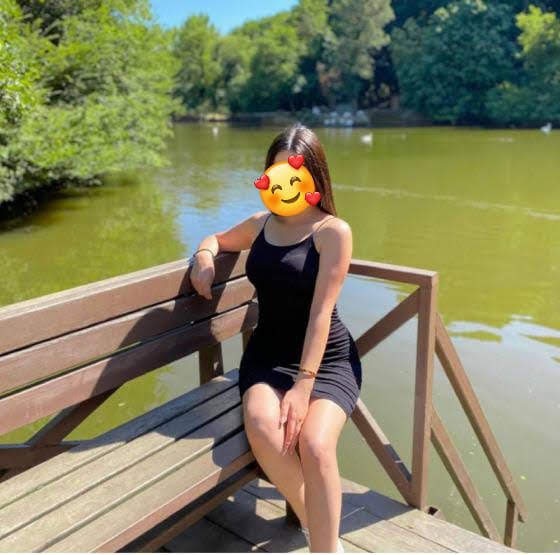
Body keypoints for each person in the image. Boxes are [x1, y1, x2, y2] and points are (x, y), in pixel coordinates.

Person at [189, 123, 362, 553]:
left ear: (314, 178)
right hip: (267, 357)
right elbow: (215, 238)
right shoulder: (260, 225)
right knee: (266, 429)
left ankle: (325, 545)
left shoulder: (332, 232)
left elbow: (321, 313)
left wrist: (304, 386)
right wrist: (204, 257)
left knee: (315, 444)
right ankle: (321, 532)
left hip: (326, 360)